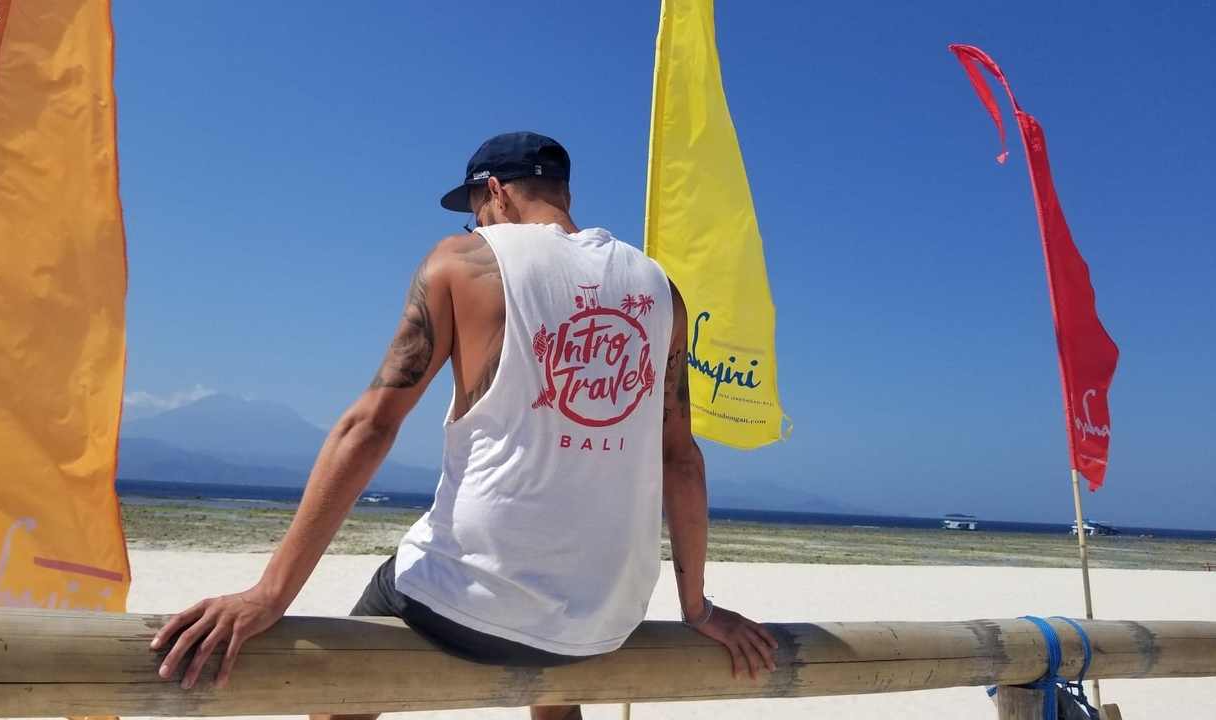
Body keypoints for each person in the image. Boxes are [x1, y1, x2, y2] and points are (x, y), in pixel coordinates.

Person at [151, 131, 777, 720]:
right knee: (556, 675)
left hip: (464, 601)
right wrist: (697, 609)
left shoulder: (462, 261)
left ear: (496, 192)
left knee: (344, 679)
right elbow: (681, 460)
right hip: (604, 621)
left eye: (475, 210)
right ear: (563, 193)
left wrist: (270, 594)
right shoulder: (661, 290)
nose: (475, 225)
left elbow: (371, 426)